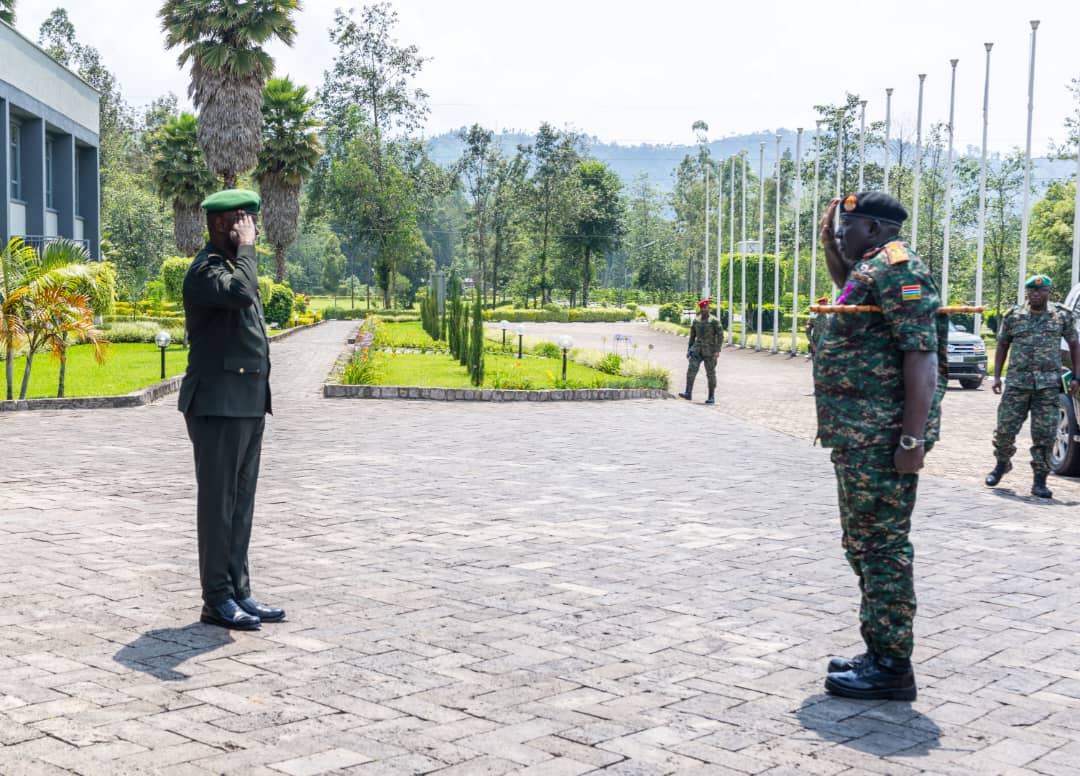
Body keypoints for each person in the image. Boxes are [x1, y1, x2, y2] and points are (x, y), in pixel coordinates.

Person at [814, 192, 947, 701]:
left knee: (883, 548)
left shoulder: (899, 269)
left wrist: (912, 439)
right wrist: (830, 243)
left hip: (882, 438)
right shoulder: (870, 269)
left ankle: (893, 667)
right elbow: (848, 290)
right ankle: (879, 650)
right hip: (858, 436)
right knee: (862, 545)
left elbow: (922, 355)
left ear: (872, 228)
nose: (841, 233)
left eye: (847, 227)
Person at [179, 189, 285, 631]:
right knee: (218, 505)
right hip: (217, 404)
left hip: (246, 402)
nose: (252, 228)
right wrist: (248, 249)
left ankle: (239, 591)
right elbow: (241, 295)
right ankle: (216, 599)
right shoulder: (206, 270)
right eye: (245, 220)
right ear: (222, 224)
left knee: (240, 505)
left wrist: (244, 253)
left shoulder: (232, 266)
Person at [985, 274, 1080, 498]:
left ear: (1048, 292)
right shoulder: (1014, 315)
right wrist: (997, 377)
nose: (1036, 294)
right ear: (1027, 292)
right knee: (1005, 430)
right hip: (1017, 384)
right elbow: (1002, 345)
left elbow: (1074, 344)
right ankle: (1001, 464)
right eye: (1032, 291)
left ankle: (1040, 481)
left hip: (1047, 386)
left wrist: (1076, 376)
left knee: (1045, 435)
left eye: (1041, 290)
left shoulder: (1062, 316)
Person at [678, 298, 724, 404]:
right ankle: (688, 393)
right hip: (697, 350)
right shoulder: (696, 320)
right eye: (702, 308)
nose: (703, 309)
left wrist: (717, 350)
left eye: (705, 307)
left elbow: (720, 336)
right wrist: (689, 349)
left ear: (708, 307)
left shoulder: (714, 321)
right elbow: (692, 336)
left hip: (710, 351)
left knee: (710, 373)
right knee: (691, 370)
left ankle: (711, 397)